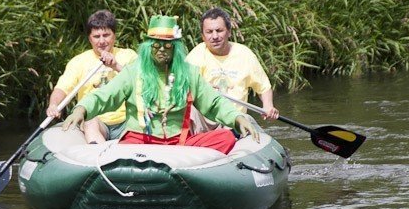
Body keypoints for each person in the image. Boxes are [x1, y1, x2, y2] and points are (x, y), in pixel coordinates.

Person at [61, 15, 258, 154]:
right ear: (148, 46)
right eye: (156, 44)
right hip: (140, 141)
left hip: (179, 144)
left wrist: (238, 118)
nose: (162, 50)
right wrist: (81, 109)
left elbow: (214, 102)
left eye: (168, 45)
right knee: (123, 147)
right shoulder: (134, 71)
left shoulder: (189, 73)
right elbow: (104, 96)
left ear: (176, 48)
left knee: (225, 137)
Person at [46, 10, 138, 143]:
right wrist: (53, 104)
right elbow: (62, 88)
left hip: (127, 121)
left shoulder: (129, 55)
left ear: (114, 36)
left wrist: (115, 66)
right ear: (89, 38)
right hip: (97, 121)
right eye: (96, 36)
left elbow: (140, 83)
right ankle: (99, 157)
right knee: (90, 122)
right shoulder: (79, 61)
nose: (102, 41)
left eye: (106, 35)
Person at [186, 7, 279, 131]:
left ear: (229, 32)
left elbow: (263, 87)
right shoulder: (196, 55)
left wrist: (268, 106)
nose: (215, 36)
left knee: (244, 120)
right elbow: (183, 86)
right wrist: (202, 89)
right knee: (191, 110)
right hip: (206, 120)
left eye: (219, 31)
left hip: (235, 119)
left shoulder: (245, 54)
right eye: (209, 32)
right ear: (203, 36)